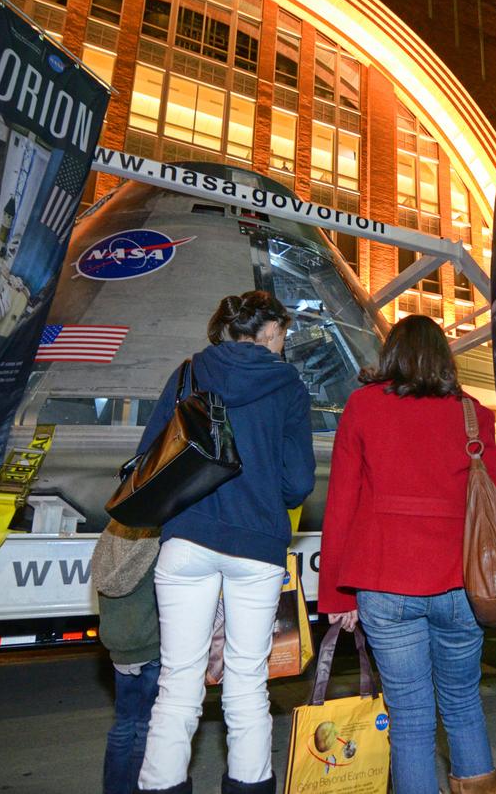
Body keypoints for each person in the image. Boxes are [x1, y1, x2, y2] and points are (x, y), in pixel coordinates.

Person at [135, 291, 315, 794]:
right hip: (257, 546)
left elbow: (149, 454)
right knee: (247, 685)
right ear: (269, 333)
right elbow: (298, 482)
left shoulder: (190, 371)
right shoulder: (289, 387)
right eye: (282, 334)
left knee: (178, 684)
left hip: (188, 537)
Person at [319, 315, 496, 794]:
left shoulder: (362, 407)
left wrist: (337, 596)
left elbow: (341, 502)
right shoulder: (474, 414)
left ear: (392, 355)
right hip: (462, 582)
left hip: (385, 580)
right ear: (444, 358)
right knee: (463, 704)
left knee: (410, 718)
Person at [91, 521, 161, 794]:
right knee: (146, 727)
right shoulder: (156, 538)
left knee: (123, 726)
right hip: (151, 646)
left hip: (120, 648)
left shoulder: (110, 534)